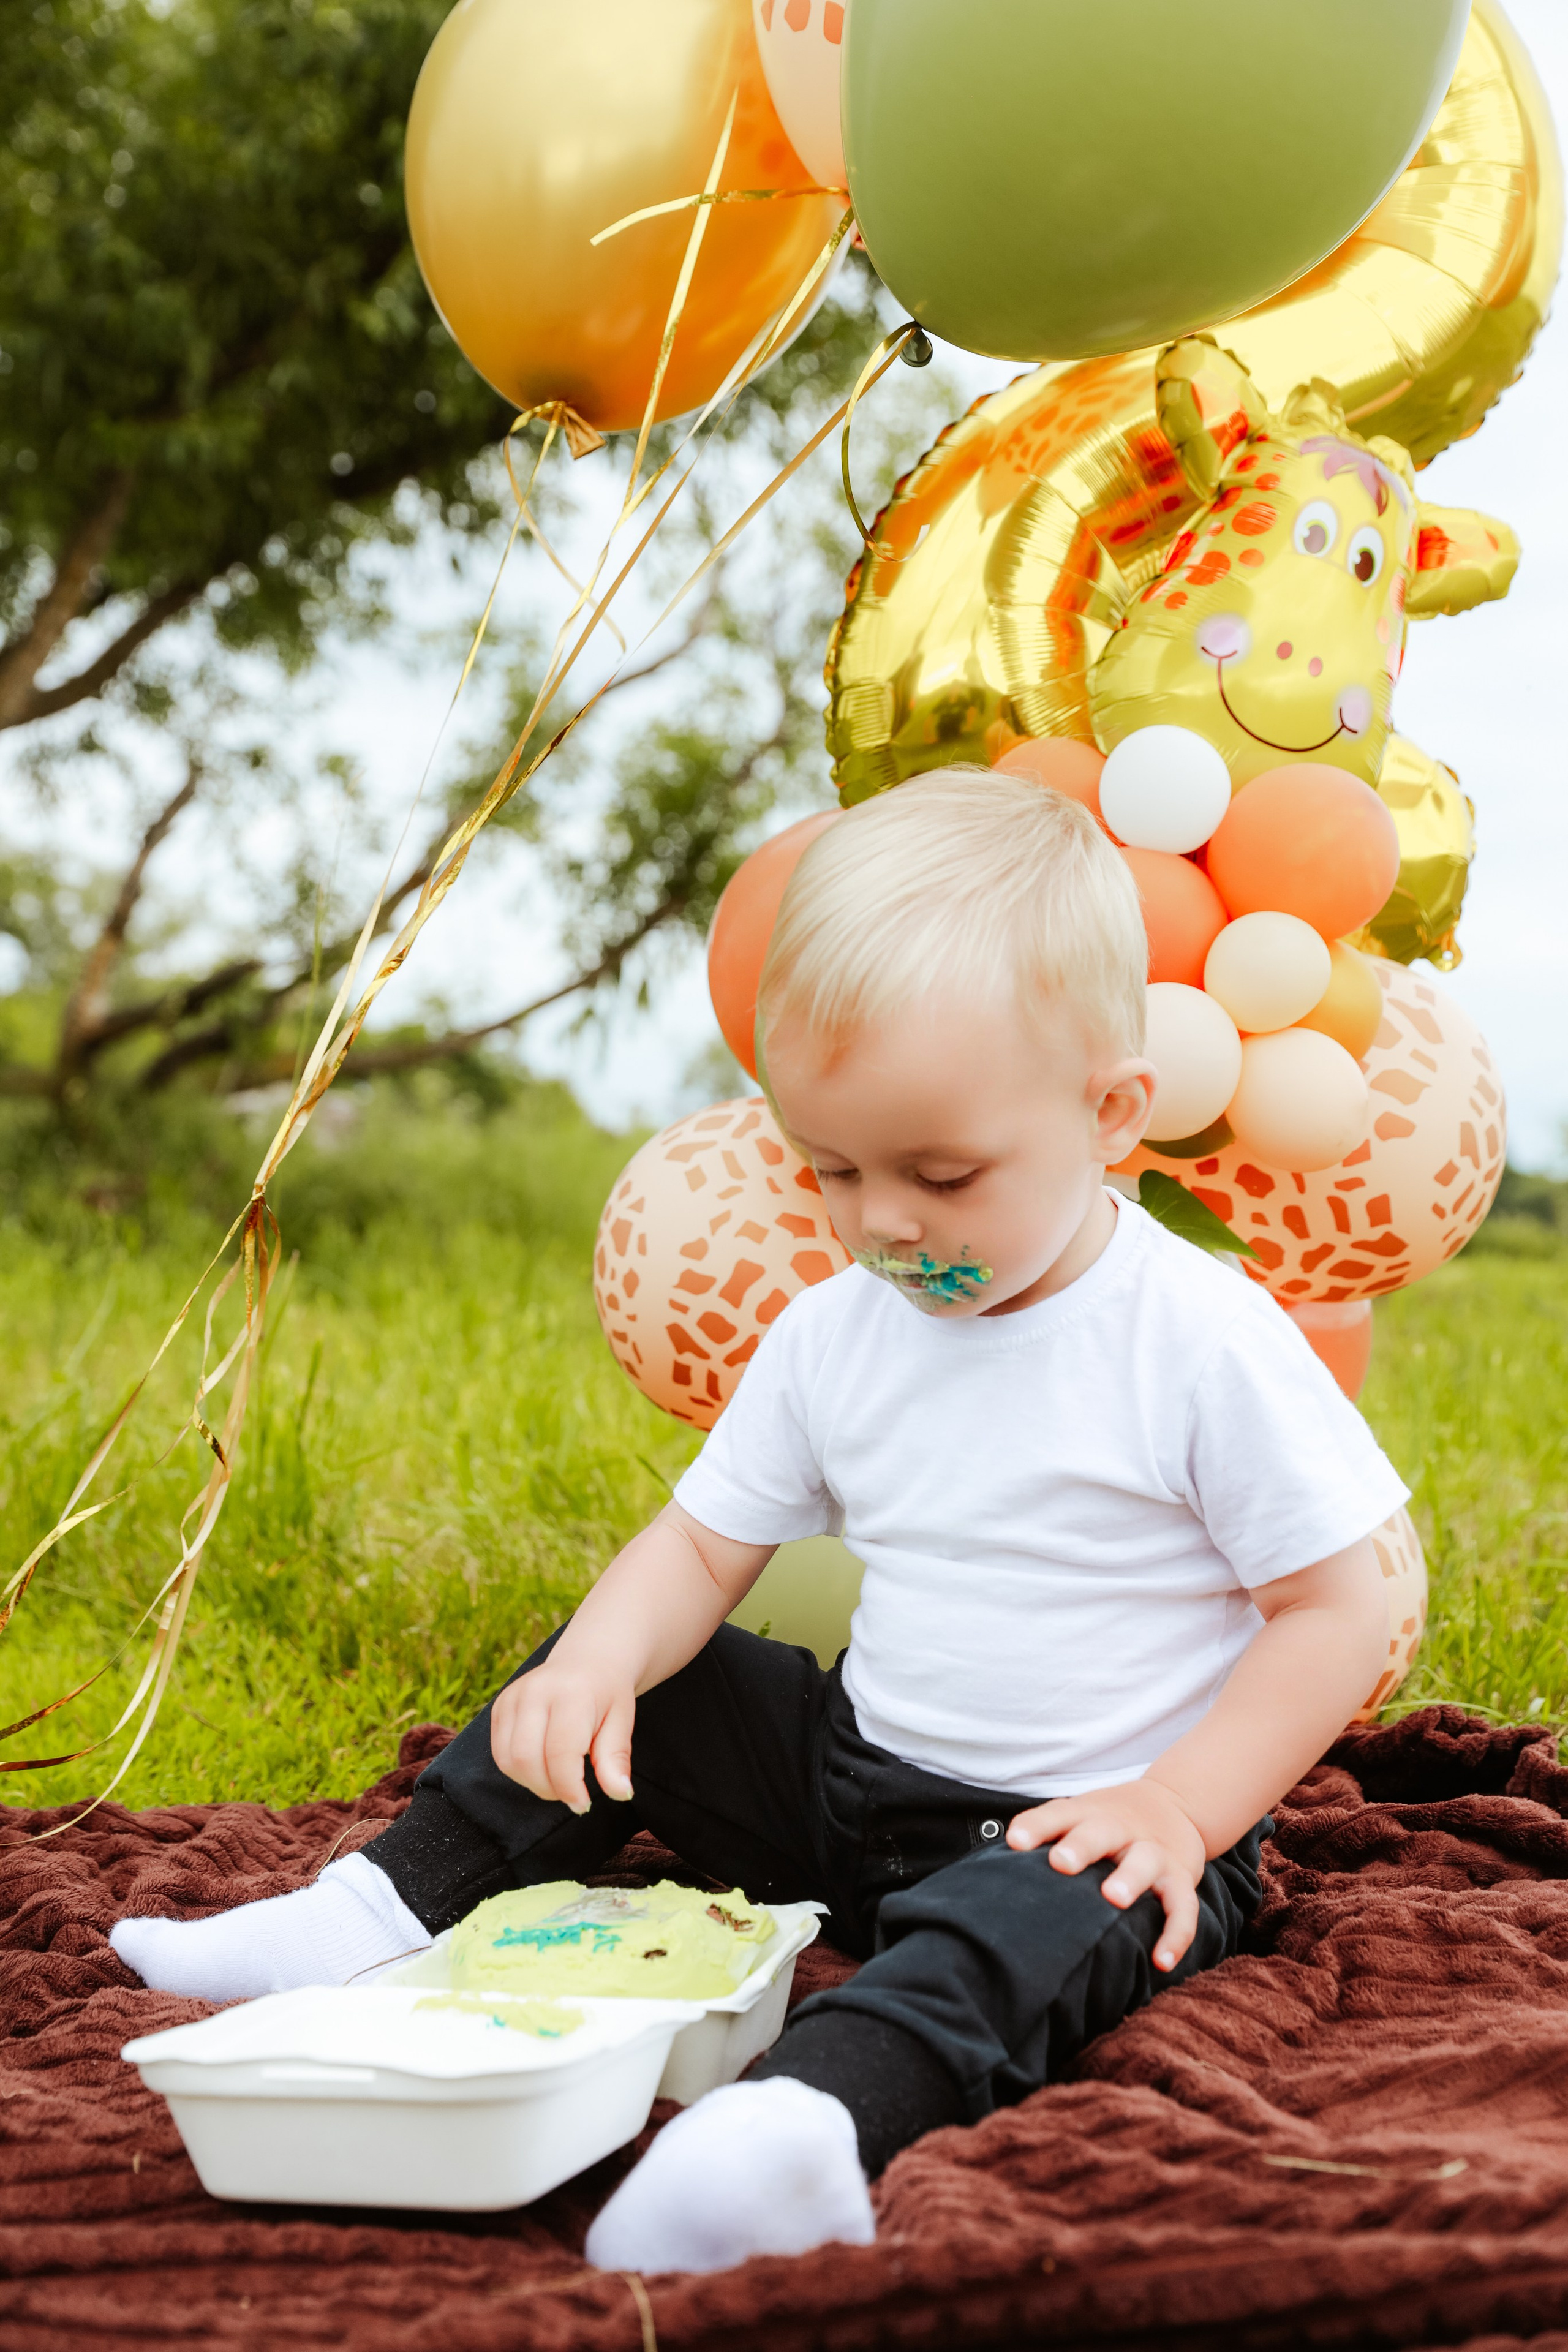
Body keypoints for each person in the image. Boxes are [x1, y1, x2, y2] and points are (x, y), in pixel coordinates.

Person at [112, 771, 1404, 2275]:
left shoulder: (1193, 1337)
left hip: (1089, 1829)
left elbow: (1341, 1607)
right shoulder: (834, 1332)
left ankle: (803, 2124)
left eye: (941, 1173)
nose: (883, 1224)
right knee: (646, 1675)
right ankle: (372, 1910)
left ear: (1110, 1113)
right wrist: (598, 1667)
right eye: (832, 1169)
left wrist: (1181, 1807)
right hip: (853, 1793)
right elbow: (696, 1550)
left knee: (1025, 1927)